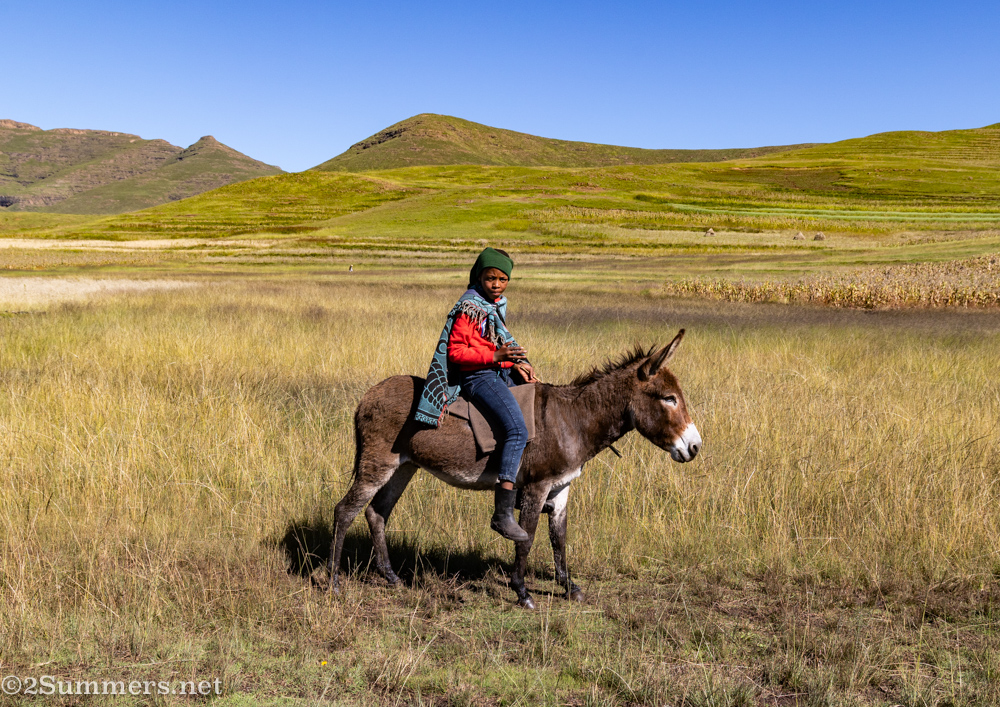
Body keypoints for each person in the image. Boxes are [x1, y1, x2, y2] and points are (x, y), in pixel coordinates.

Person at [415, 247, 537, 542]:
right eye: (490, 278)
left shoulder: (493, 305)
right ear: (479, 276)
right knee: (518, 430)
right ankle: (503, 513)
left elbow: (497, 345)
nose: (496, 284)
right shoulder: (470, 306)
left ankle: (524, 491)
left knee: (538, 413)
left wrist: (517, 364)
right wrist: (497, 356)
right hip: (477, 377)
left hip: (496, 370)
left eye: (502, 279)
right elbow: (457, 353)